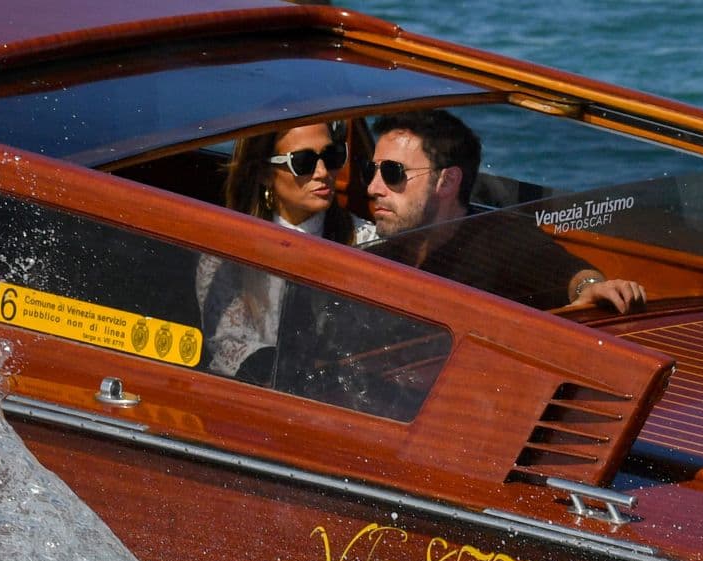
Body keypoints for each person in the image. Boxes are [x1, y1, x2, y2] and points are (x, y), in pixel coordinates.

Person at [364, 109, 646, 312]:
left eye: (392, 172)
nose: (373, 187)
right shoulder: (381, 256)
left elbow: (561, 271)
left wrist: (591, 287)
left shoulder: (499, 239)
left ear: (447, 180)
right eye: (371, 170)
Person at [197, 123, 374, 382]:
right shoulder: (225, 256)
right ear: (265, 174)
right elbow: (230, 347)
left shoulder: (366, 243)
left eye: (332, 156)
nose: (323, 172)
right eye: (303, 162)